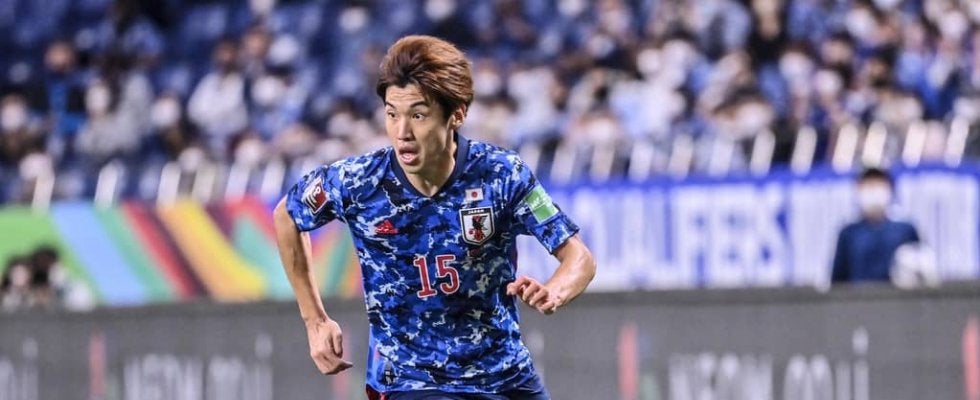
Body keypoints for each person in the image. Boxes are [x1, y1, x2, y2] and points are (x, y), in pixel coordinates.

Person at [273, 35, 596, 400]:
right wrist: (315, 321)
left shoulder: (502, 175)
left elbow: (579, 258)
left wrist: (554, 291)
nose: (402, 132)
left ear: (456, 114)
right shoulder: (357, 182)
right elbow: (287, 216)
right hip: (409, 382)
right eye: (392, 114)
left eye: (418, 115)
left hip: (504, 375)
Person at [831, 167, 920, 284]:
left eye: (878, 185)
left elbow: (920, 269)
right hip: (859, 294)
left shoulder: (905, 230)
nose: (873, 191)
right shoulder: (849, 233)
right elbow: (838, 280)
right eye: (869, 186)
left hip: (896, 294)